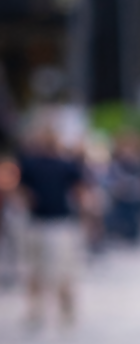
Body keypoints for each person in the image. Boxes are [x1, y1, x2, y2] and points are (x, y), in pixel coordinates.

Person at [17, 123, 84, 328]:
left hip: (57, 222)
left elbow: (79, 190)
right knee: (35, 270)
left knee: (61, 270)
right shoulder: (30, 164)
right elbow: (22, 190)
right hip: (40, 222)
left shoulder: (65, 164)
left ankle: (65, 310)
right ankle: (37, 310)